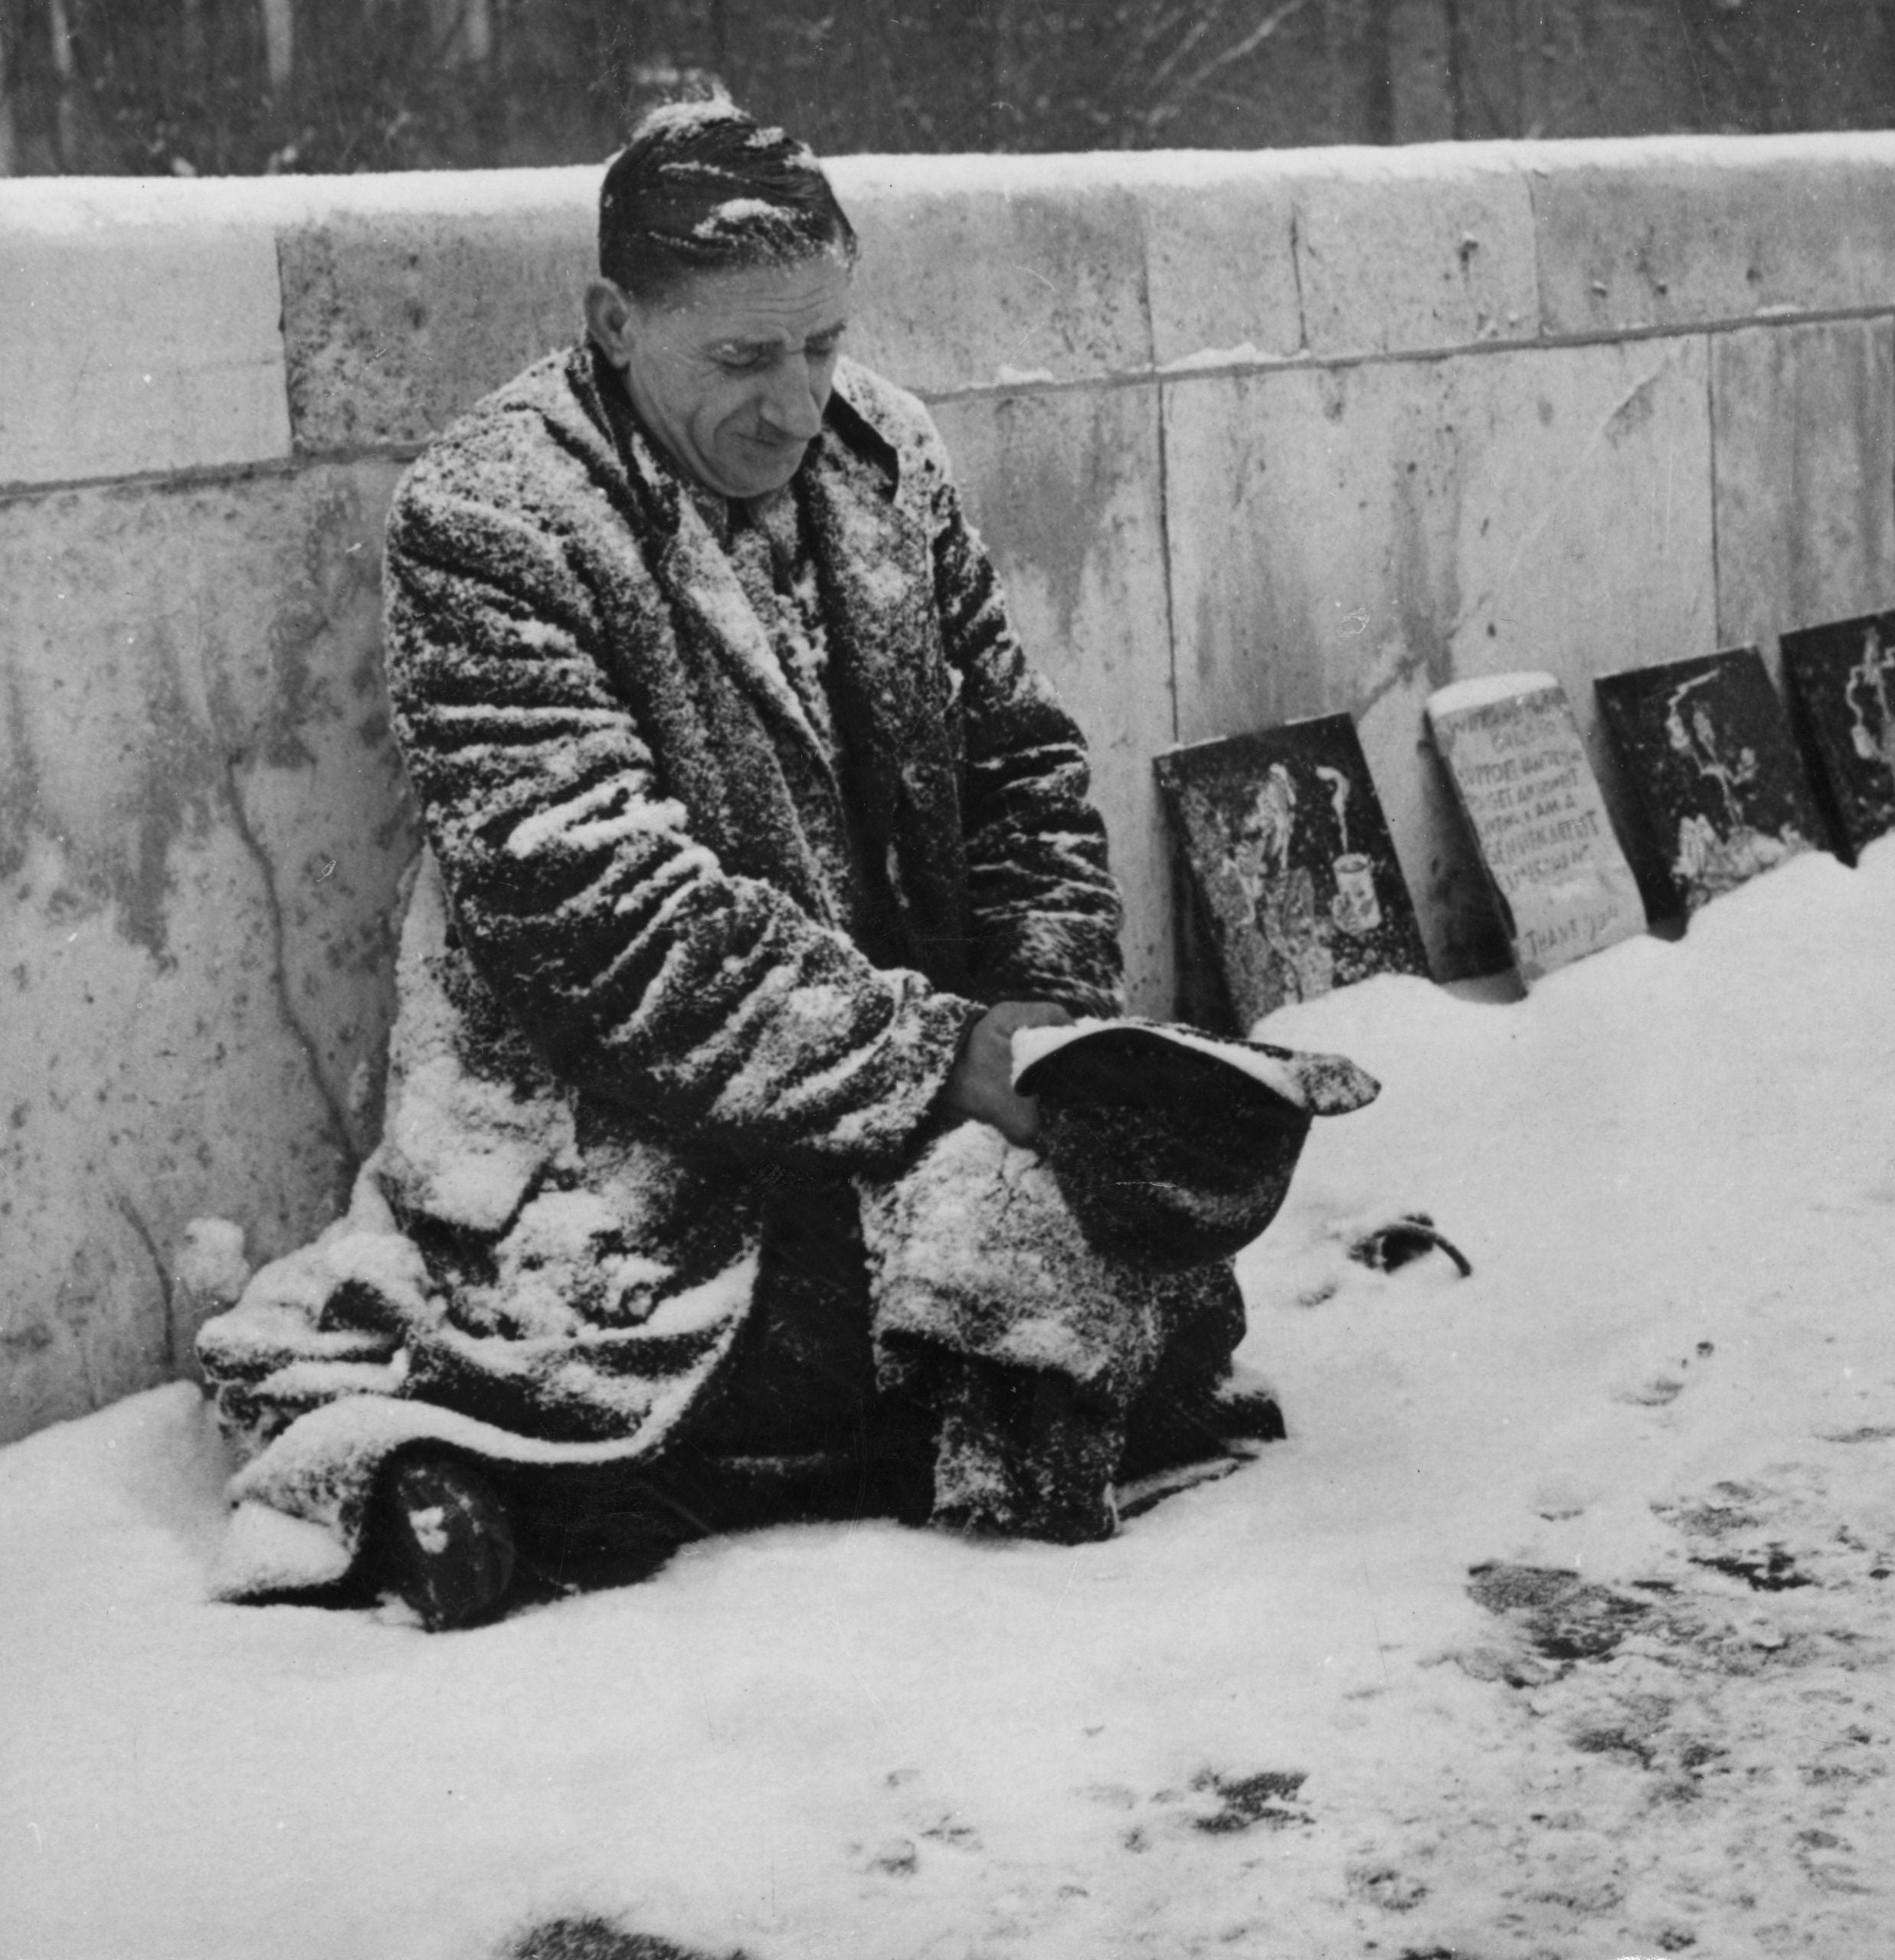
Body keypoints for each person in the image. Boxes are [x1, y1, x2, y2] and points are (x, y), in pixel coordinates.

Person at [195, 97, 1289, 1628]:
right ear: (612, 324)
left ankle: (671, 1472)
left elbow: (1018, 770)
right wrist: (951, 1063)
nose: (795, 403)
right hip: (635, 1125)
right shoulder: (490, 513)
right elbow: (607, 926)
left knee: (1143, 1282)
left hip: (900, 1075)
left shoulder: (885, 451)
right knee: (855, 1327)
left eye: (821, 344)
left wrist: (1052, 1032)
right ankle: (489, 1471)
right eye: (740, 360)